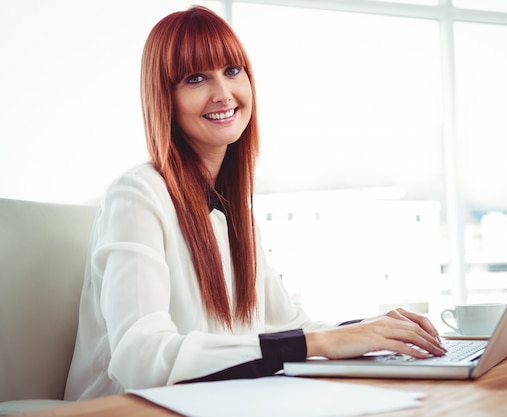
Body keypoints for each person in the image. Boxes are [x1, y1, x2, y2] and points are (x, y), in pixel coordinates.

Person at [64, 5, 446, 401]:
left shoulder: (232, 209)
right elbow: (140, 359)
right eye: (196, 78)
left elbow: (289, 324)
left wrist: (370, 329)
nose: (223, 93)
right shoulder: (137, 194)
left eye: (232, 71)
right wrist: (320, 342)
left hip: (218, 403)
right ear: (165, 99)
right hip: (123, 410)